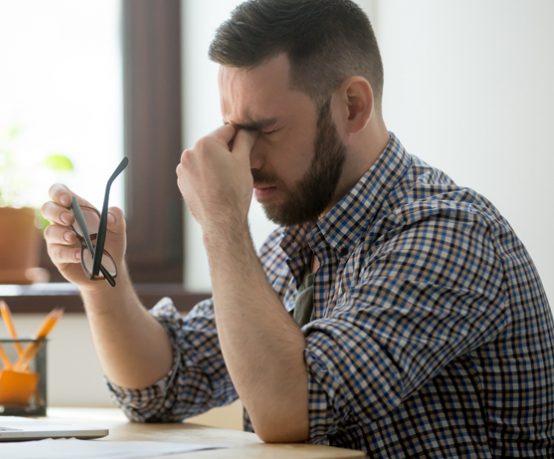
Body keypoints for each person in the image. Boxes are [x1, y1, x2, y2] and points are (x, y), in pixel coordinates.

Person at [40, 0, 554, 456]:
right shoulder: (297, 240)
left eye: (264, 130)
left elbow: (293, 411)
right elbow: (162, 386)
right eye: (234, 131)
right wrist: (100, 280)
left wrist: (222, 221)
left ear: (353, 106)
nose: (245, 159)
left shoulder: (447, 235)